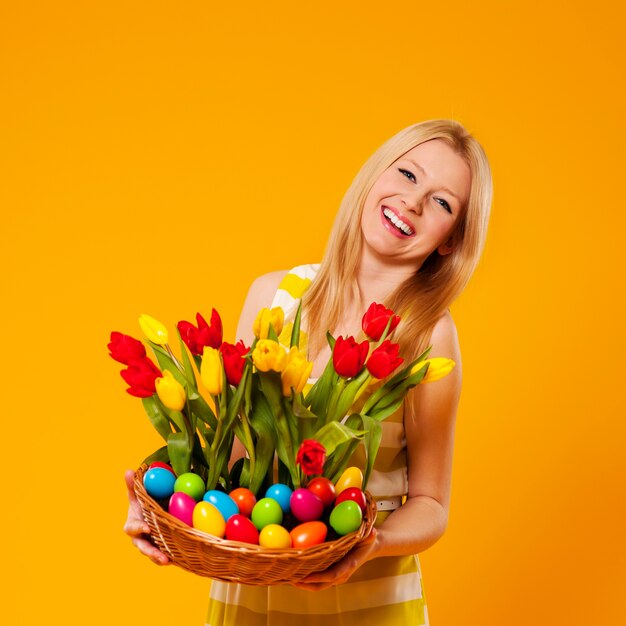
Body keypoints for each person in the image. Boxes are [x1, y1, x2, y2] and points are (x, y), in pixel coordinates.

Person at [124, 118, 492, 625]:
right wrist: (165, 506)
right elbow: (230, 470)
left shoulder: (427, 336)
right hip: (254, 597)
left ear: (451, 240)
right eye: (407, 175)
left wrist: (368, 542)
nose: (412, 202)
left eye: (442, 202)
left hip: (370, 605)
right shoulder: (273, 297)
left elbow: (431, 504)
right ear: (376, 177)